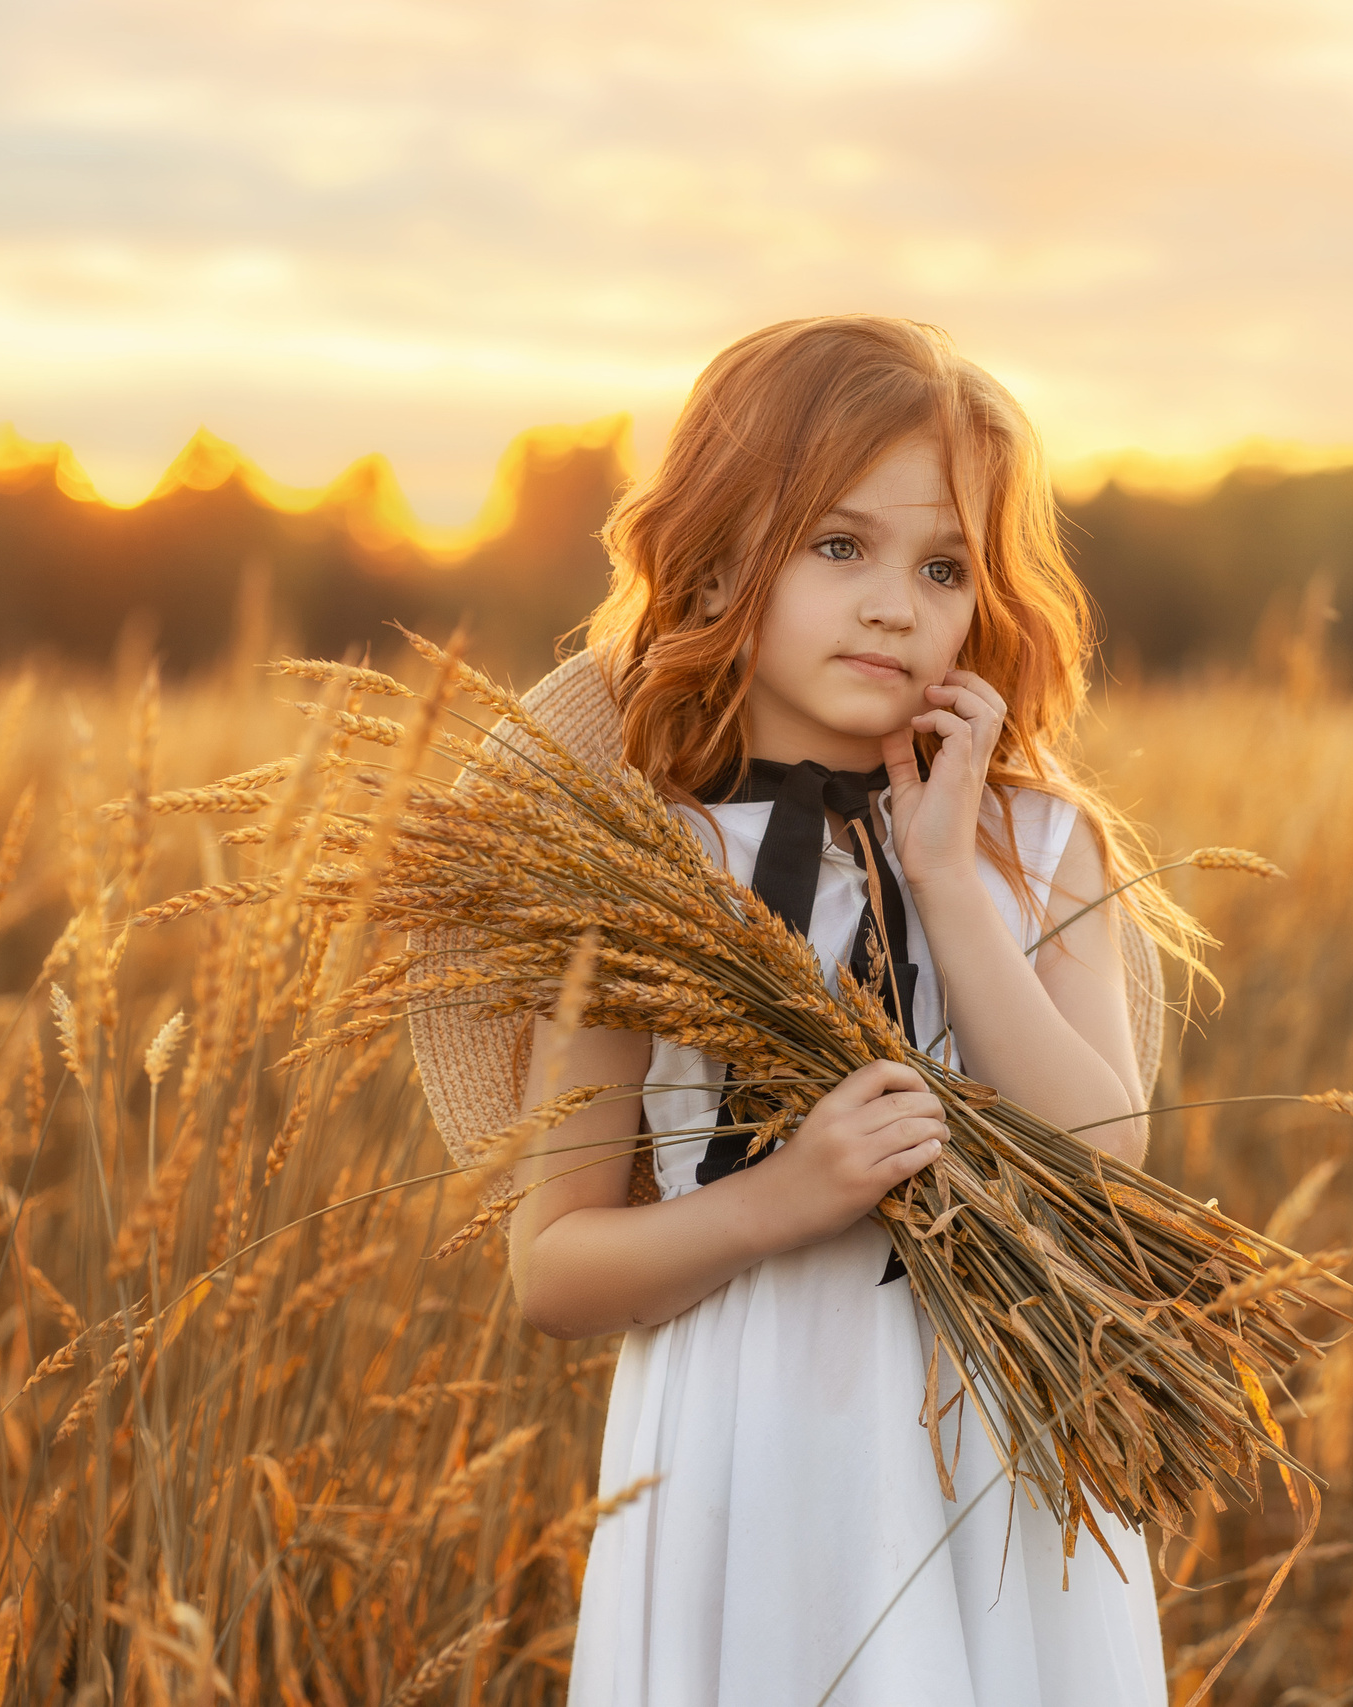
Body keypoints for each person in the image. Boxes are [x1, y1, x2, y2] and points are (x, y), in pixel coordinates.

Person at [499, 316, 1211, 1705]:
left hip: (986, 1444)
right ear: (713, 558)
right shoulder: (640, 875)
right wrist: (783, 1198)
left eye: (943, 566)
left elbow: (1104, 1158)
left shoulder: (1033, 849)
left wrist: (945, 875)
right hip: (739, 1450)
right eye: (840, 547)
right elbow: (553, 1269)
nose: (896, 602)